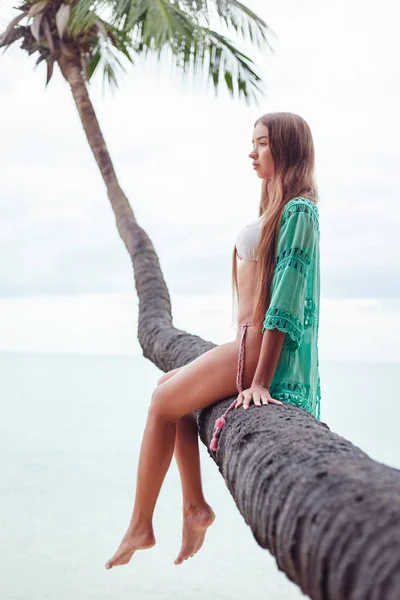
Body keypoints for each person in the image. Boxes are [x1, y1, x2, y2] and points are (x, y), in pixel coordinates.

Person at [105, 111, 321, 570]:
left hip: (259, 351)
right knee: (170, 389)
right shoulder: (276, 208)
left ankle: (141, 525)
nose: (252, 151)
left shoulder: (300, 209)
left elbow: (285, 301)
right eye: (253, 142)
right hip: (247, 345)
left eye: (261, 143)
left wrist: (260, 382)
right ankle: (194, 507)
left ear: (285, 147)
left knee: (162, 405)